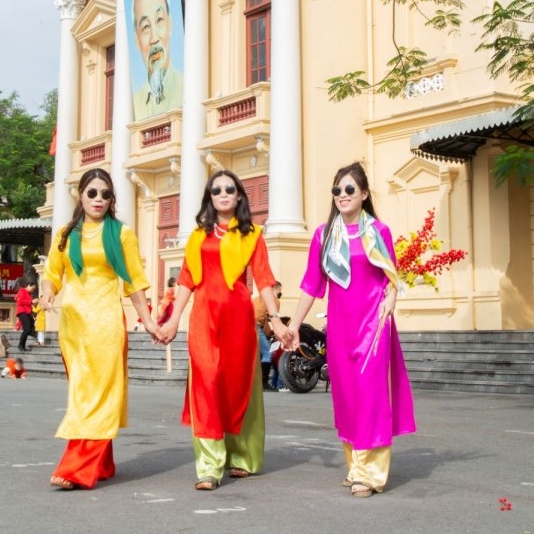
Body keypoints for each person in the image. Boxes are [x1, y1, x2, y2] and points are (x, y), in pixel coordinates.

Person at [286, 163, 416, 499]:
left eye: (349, 190)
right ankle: (356, 465)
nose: (342, 196)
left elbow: (392, 278)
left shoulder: (379, 231)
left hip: (374, 323)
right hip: (340, 326)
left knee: (371, 393)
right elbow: (312, 285)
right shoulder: (324, 235)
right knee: (346, 395)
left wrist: (391, 299)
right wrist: (294, 324)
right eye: (337, 190)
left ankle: (369, 474)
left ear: (364, 194)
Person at [157, 170, 288, 491]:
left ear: (239, 195)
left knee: (237, 385)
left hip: (238, 319)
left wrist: (276, 320)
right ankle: (209, 466)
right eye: (217, 190)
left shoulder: (253, 235)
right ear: (210, 198)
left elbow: (265, 279)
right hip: (203, 318)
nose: (224, 194)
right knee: (206, 383)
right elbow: (186, 279)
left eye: (230, 189)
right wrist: (173, 320)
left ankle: (242, 457)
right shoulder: (198, 237)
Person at [40, 168, 159, 490]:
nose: (99, 199)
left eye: (105, 194)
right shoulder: (66, 234)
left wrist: (147, 321)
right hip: (73, 326)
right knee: (83, 393)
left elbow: (134, 281)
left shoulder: (121, 234)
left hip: (106, 324)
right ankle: (102, 463)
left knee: (96, 394)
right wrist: (47, 291)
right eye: (92, 192)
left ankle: (76, 467)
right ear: (81, 195)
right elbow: (52, 272)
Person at [130, 0, 184, 118]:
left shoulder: (188, 86)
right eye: (145, 27)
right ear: (136, 40)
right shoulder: (132, 105)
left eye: (159, 20)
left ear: (170, 25)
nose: (154, 38)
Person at [255, 281, 282, 391]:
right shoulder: (274, 300)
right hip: (256, 325)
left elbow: (263, 318)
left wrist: (268, 331)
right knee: (267, 353)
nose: (280, 292)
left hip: (248, 325)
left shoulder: (258, 298)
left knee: (257, 355)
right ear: (275, 289)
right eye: (280, 290)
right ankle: (264, 382)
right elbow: (273, 318)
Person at [15, 278, 36, 354]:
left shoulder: (28, 294)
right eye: (32, 288)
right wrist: (31, 301)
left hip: (27, 312)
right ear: (28, 286)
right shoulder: (22, 291)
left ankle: (22, 346)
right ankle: (20, 345)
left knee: (30, 326)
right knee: (27, 329)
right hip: (22, 312)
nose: (32, 290)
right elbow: (21, 301)